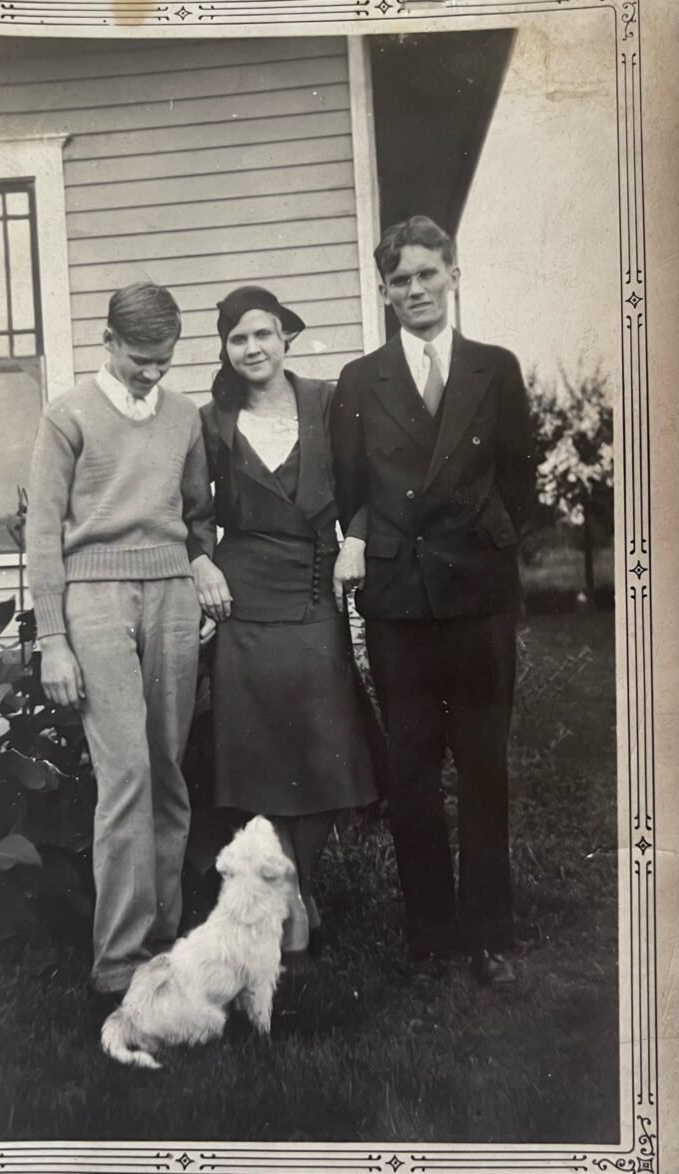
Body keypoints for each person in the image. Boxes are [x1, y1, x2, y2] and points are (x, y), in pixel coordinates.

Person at [330, 216, 536, 985]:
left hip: (479, 594)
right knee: (412, 769)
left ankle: (488, 930)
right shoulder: (362, 379)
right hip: (400, 601)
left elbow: (521, 476)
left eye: (427, 273)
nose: (415, 289)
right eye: (400, 280)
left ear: (453, 273)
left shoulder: (494, 368)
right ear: (384, 291)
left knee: (483, 762)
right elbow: (351, 487)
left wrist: (489, 539)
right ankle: (431, 937)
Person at [26, 282, 228, 1002]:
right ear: (108, 340)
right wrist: (53, 637)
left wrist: (199, 567)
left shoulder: (183, 418)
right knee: (126, 775)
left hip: (171, 597)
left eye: (164, 360)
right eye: (141, 357)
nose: (152, 371)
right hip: (95, 601)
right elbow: (42, 533)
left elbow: (197, 517)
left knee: (167, 770)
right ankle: (117, 962)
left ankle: (163, 950)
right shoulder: (68, 415)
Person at [199, 285, 378, 958]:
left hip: (314, 586)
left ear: (286, 339)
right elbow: (190, 511)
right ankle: (294, 895)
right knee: (261, 752)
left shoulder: (327, 402)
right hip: (242, 595)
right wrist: (200, 562)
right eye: (239, 338)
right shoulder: (210, 420)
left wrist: (355, 540)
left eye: (264, 334)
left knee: (325, 746)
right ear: (226, 348)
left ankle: (297, 884)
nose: (253, 349)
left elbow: (367, 483)